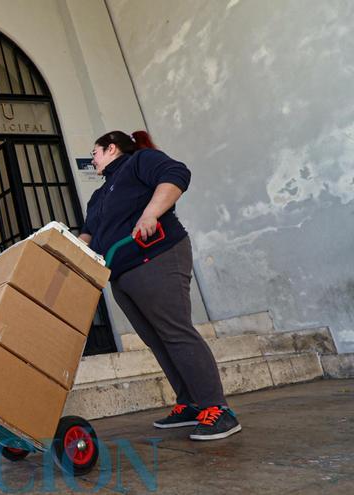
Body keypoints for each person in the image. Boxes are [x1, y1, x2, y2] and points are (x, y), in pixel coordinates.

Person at [78, 130, 241, 441]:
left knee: (175, 331)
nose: (93, 159)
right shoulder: (98, 197)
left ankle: (218, 409)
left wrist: (150, 213)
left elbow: (177, 174)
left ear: (112, 148)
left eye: (95, 152)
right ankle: (190, 403)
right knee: (156, 339)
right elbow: (88, 235)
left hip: (157, 256)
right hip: (121, 273)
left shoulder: (140, 160)